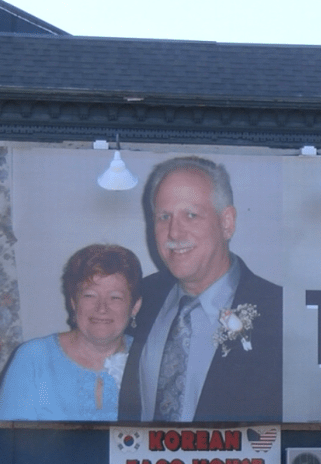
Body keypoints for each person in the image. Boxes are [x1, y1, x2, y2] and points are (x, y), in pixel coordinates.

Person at [118, 156, 282, 422]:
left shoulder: (280, 313)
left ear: (226, 222)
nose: (174, 233)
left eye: (191, 215)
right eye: (164, 217)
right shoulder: (138, 297)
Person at [0, 244, 143, 421]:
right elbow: (8, 444)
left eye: (115, 297)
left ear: (135, 306)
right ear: (73, 302)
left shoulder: (148, 359)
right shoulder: (33, 359)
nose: (101, 308)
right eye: (90, 295)